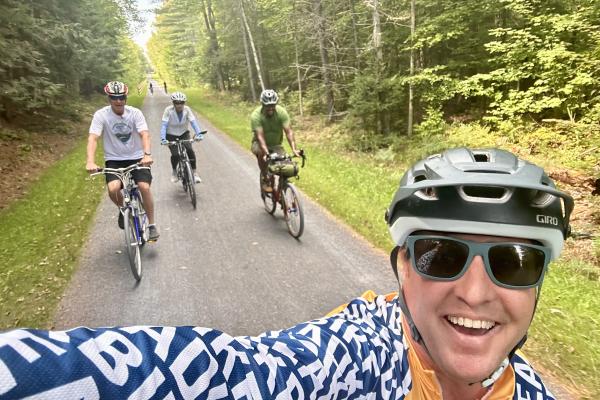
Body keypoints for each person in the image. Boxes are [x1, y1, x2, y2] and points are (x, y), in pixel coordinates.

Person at [0, 148, 572, 399]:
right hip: (251, 146)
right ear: (402, 265)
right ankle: (268, 194)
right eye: (441, 255)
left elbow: (289, 134)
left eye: (514, 262)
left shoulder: (537, 393)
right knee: (256, 169)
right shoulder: (354, 359)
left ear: (541, 281)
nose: (474, 292)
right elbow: (221, 374)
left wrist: (293, 149)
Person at [85, 80, 159, 241]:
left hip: (138, 158)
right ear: (109, 98)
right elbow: (93, 138)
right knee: (113, 189)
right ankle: (122, 209)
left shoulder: (135, 113)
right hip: (114, 160)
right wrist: (90, 161)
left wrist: (147, 154)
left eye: (121, 97)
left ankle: (152, 225)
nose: (118, 101)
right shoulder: (101, 115)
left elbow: (144, 134)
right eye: (114, 97)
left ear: (125, 97)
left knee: (144, 187)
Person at [251, 89, 300, 192]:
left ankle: (282, 191)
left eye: (273, 105)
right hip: (259, 144)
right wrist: (266, 153)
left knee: (285, 164)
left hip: (276, 145)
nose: (270, 108)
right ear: (262, 104)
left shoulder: (281, 112)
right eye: (267, 106)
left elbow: (289, 132)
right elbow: (260, 137)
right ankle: (265, 178)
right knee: (261, 153)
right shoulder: (256, 116)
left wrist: (294, 149)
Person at [160, 91, 205, 183]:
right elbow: (164, 125)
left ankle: (195, 173)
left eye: (182, 103)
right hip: (171, 135)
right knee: (175, 154)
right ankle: (174, 172)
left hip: (184, 133)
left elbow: (193, 123)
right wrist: (163, 138)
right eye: (177, 103)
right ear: (173, 103)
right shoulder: (168, 110)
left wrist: (199, 133)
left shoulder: (187, 110)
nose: (179, 105)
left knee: (190, 150)